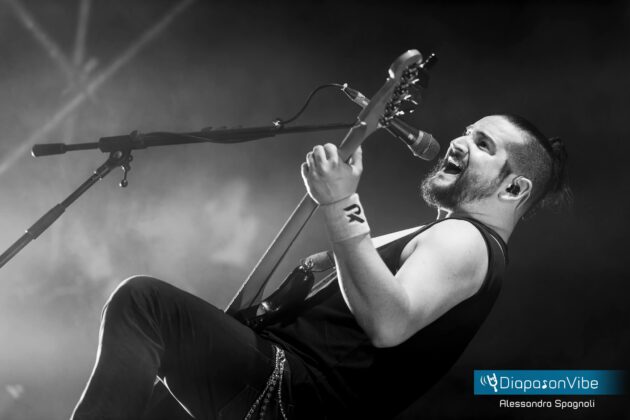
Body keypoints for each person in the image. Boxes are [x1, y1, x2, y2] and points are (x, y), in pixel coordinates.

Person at [71, 114, 569, 420]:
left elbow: (390, 323)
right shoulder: (448, 238)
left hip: (291, 396)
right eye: (467, 132)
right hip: (283, 390)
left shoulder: (466, 240)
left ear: (513, 188)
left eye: (483, 145)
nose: (460, 142)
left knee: (144, 305)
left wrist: (340, 203)